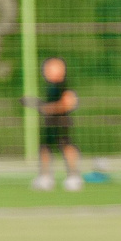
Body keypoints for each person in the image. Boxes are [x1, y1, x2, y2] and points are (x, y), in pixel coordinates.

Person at [37, 57, 82, 190]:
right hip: (50, 122)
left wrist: (48, 108)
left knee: (66, 146)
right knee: (45, 148)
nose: (46, 71)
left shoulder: (63, 85)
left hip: (62, 122)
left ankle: (74, 177)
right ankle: (45, 177)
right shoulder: (50, 86)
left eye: (50, 68)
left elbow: (69, 103)